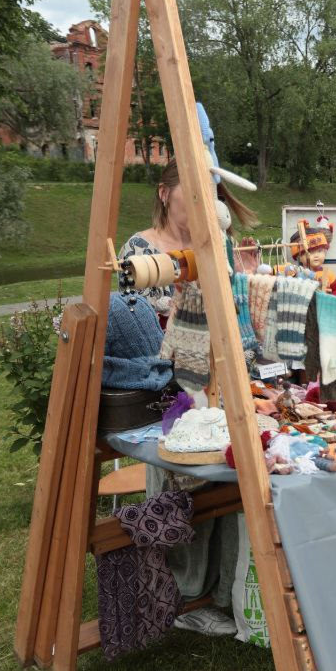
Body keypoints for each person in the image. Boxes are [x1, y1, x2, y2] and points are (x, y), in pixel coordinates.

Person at [119, 160, 259, 638]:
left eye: (211, 191)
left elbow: (233, 306)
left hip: (215, 379)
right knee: (183, 483)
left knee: (227, 476)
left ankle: (222, 591)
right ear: (164, 193)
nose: (205, 200)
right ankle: (181, 590)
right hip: (166, 388)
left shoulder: (214, 243)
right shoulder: (140, 250)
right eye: (193, 191)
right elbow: (132, 323)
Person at [118, 160, 260, 319]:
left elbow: (240, 319)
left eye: (209, 194)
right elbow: (139, 324)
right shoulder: (136, 251)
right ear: (164, 193)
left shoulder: (220, 245)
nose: (204, 204)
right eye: (193, 191)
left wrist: (244, 278)